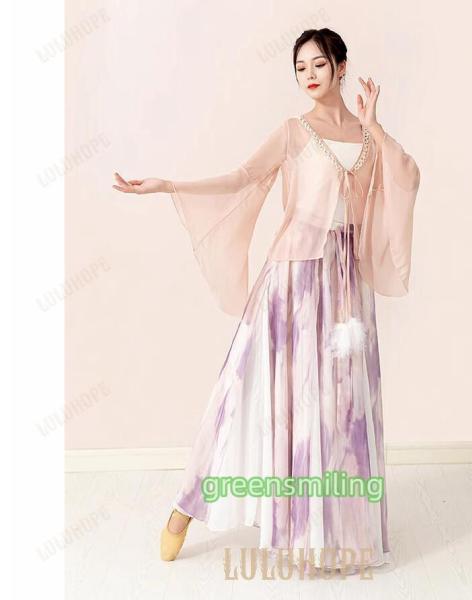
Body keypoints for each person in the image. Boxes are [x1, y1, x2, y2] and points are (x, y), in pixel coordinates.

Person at [113, 27, 420, 573]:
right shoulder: (293, 132)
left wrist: (374, 123)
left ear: (341, 67)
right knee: (244, 394)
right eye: (300, 67)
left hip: (345, 287)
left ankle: (325, 533)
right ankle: (185, 508)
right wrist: (170, 186)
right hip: (292, 282)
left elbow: (408, 178)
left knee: (340, 409)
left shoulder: (367, 136)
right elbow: (243, 177)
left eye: (318, 64)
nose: (309, 75)